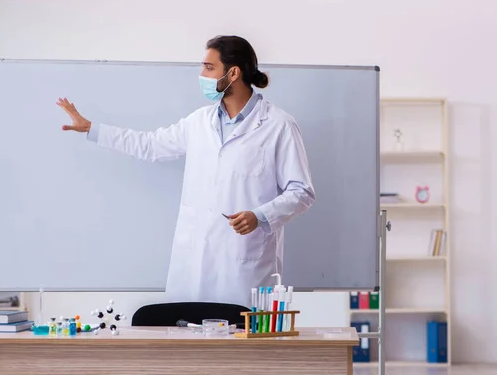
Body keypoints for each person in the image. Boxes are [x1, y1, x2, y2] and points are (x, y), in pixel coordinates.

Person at [56, 35, 315, 308]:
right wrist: (92, 129)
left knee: (241, 341)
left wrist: (260, 216)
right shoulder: (199, 122)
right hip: (196, 263)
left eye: (209, 67)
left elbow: (302, 191)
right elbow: (150, 145)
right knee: (191, 341)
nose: (202, 74)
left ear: (234, 72)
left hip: (244, 263)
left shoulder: (278, 125)